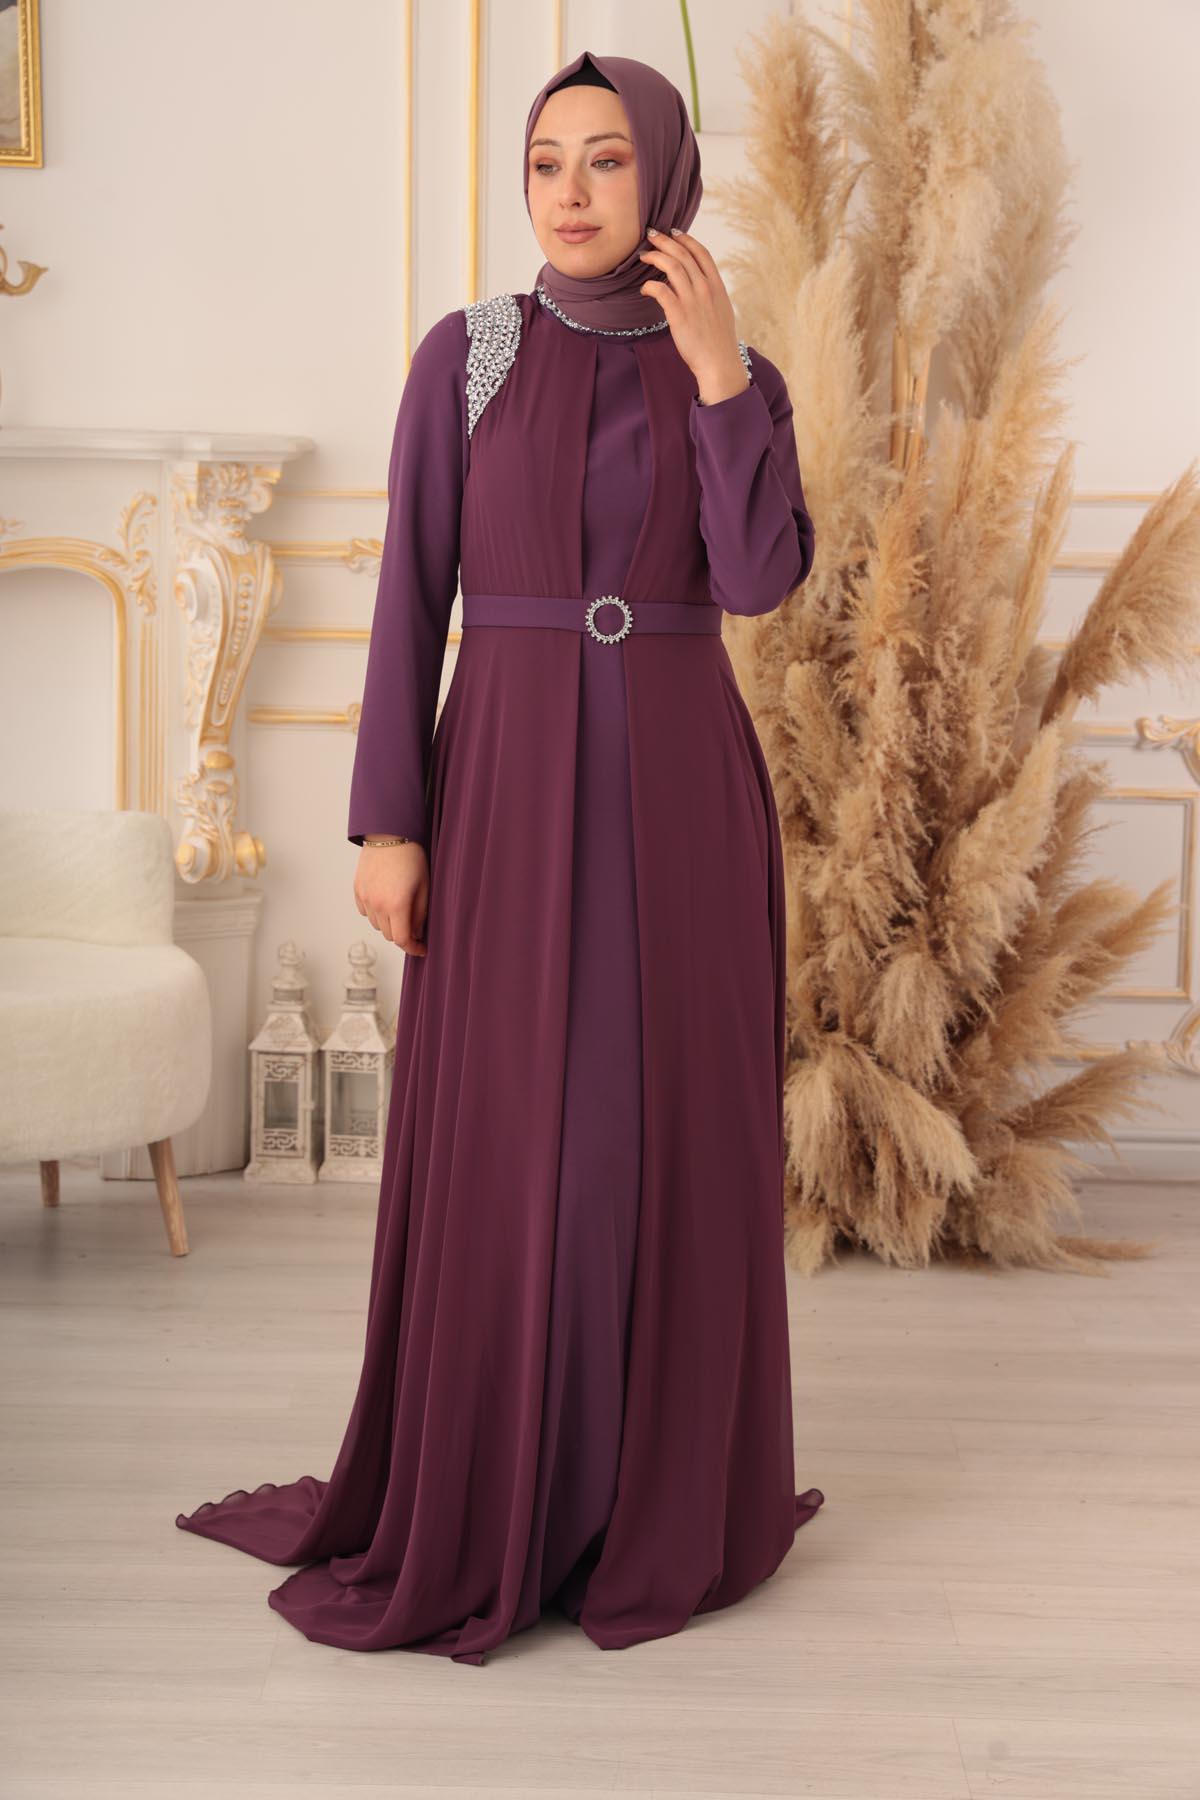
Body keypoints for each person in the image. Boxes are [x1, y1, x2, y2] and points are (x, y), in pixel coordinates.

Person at [176, 47, 823, 1666]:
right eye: (546, 163)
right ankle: (503, 1487)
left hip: (683, 788)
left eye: (607, 160)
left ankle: (650, 1496)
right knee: (529, 1140)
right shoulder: (465, 357)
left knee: (663, 1140)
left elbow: (757, 582)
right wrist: (391, 822)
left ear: (663, 178)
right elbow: (411, 593)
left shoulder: (735, 370)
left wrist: (720, 375)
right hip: (511, 782)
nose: (572, 192)